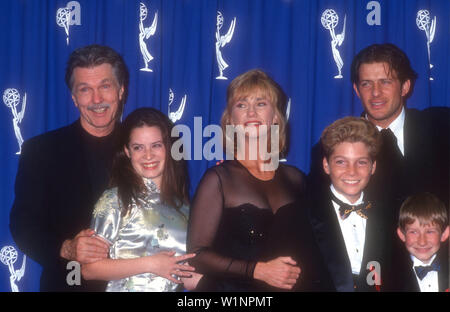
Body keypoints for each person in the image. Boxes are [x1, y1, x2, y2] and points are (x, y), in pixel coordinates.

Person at [187, 69, 331, 291]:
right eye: (242, 105)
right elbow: (197, 255)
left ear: (275, 117)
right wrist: (256, 270)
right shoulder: (218, 180)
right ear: (230, 120)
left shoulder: (297, 179)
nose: (251, 112)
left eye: (261, 103)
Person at [9, 44, 129, 291]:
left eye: (105, 86)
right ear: (74, 98)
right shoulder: (41, 150)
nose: (96, 99)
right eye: (85, 89)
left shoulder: (147, 148)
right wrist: (67, 248)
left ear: (121, 91)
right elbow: (23, 224)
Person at [309, 43, 449, 214]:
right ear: (357, 90)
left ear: (405, 86)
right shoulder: (330, 149)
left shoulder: (441, 127)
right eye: (367, 84)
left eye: (385, 82)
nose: (376, 93)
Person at [81, 107, 198, 292]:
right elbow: (89, 269)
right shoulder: (116, 199)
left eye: (156, 145)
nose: (148, 155)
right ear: (127, 151)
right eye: (138, 147)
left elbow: (188, 275)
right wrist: (151, 264)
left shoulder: (184, 207)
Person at [308, 117, 395, 291]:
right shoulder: (299, 215)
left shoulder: (391, 217)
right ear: (326, 165)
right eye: (341, 162)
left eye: (361, 162)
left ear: (373, 167)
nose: (352, 171)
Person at [392, 192, 449, 292]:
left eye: (430, 232)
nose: (422, 242)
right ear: (402, 234)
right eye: (413, 232)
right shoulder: (391, 276)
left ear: (444, 234)